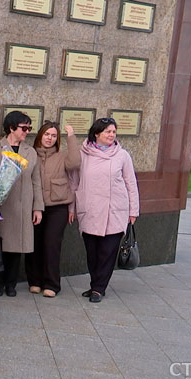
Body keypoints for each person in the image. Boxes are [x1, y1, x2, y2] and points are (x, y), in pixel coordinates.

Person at [74, 118, 139, 303]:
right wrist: (72, 206)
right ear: (97, 133)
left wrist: (133, 211)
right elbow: (74, 182)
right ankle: (95, 283)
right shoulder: (83, 154)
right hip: (91, 211)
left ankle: (99, 288)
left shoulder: (122, 156)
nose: (111, 135)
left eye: (113, 132)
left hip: (114, 212)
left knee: (107, 252)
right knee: (92, 253)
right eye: (107, 132)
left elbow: (131, 184)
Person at [0, 111, 44, 297]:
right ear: (11, 128)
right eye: (24, 128)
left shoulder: (30, 151)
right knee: (0, 247)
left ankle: (11, 284)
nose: (27, 132)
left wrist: (38, 207)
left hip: (23, 206)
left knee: (18, 246)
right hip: (3, 206)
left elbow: (36, 181)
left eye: (29, 128)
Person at [27, 122, 81, 297]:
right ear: (40, 135)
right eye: (47, 135)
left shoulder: (61, 156)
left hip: (58, 207)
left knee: (51, 244)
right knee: (34, 244)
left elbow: (75, 162)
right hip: (36, 207)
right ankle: (35, 281)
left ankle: (51, 284)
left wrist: (71, 137)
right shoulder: (31, 154)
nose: (49, 138)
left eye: (53, 136)